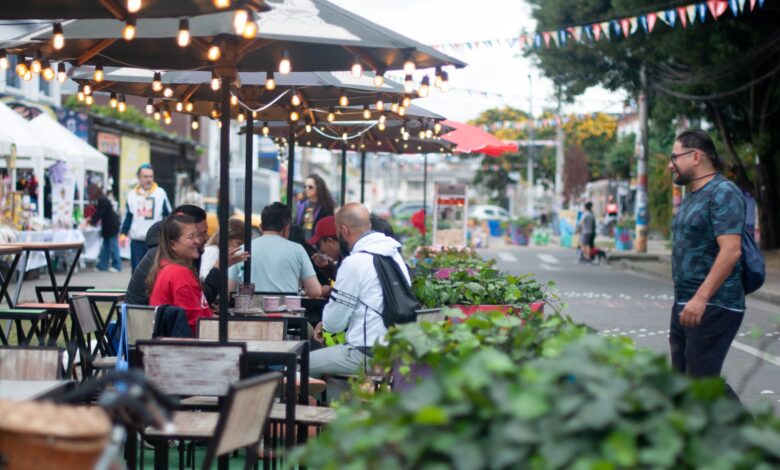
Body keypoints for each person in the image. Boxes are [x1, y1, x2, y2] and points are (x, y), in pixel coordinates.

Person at [668, 129, 745, 397]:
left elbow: (731, 250)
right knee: (684, 383)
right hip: (685, 302)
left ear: (696, 156)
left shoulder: (723, 192)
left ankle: (751, 435)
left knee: (700, 383)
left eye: (674, 157)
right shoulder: (692, 196)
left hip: (714, 303)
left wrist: (701, 299)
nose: (670, 164)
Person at [310, 203, 410, 379]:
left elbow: (333, 324)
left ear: (343, 230)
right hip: (395, 350)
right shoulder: (394, 255)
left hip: (366, 354)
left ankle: (315, 405)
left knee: (298, 365)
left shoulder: (354, 263)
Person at [125, 205, 247, 305]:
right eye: (194, 235)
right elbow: (197, 305)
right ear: (174, 242)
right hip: (148, 327)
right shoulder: (173, 265)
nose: (203, 239)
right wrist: (219, 267)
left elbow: (195, 299)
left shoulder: (176, 254)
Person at [229, 202, 321, 297]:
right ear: (286, 229)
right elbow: (315, 291)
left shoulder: (243, 249)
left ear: (261, 227)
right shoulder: (297, 250)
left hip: (249, 310)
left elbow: (229, 291)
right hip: (288, 310)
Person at [148, 214, 213, 335]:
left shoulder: (165, 266)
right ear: (173, 244)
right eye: (190, 237)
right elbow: (195, 325)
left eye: (197, 235)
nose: (198, 241)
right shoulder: (180, 274)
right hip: (188, 349)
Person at [120, 164, 172, 271]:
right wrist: (123, 233)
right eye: (145, 176)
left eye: (151, 176)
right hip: (137, 242)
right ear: (139, 178)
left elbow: (168, 216)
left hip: (155, 242)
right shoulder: (132, 195)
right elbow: (128, 217)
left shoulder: (160, 193)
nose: (149, 179)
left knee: (154, 272)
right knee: (137, 272)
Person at [201, 218, 246, 294]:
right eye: (239, 243)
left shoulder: (224, 255)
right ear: (227, 238)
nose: (241, 248)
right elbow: (207, 281)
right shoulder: (213, 252)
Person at [82, 184, 121, 273]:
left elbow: (99, 214)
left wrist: (90, 222)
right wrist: (91, 220)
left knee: (112, 246)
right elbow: (98, 214)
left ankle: (116, 265)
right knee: (106, 246)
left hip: (111, 226)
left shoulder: (102, 200)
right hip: (109, 226)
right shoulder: (102, 199)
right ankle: (103, 265)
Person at [307, 216, 342, 295]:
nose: (320, 250)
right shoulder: (343, 256)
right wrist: (328, 267)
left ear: (330, 241)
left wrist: (328, 291)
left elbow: (349, 293)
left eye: (320, 245)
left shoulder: (349, 257)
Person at [295, 174, 335, 240]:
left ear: (318, 188)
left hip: (318, 245)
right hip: (302, 244)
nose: (307, 189)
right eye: (305, 186)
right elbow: (297, 225)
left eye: (310, 187)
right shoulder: (302, 205)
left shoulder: (326, 207)